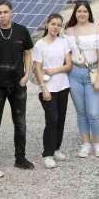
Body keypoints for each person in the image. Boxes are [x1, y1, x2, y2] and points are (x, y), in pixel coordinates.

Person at [0, 0, 35, 171]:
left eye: (5, 12)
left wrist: (26, 74)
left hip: (18, 84)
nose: (3, 15)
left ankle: (20, 158)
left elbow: (28, 53)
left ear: (12, 12)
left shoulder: (22, 31)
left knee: (20, 122)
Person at [65, 0, 99, 158]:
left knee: (94, 112)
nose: (82, 14)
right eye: (79, 11)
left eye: (85, 11)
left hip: (93, 72)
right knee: (81, 112)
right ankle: (85, 143)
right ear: (75, 13)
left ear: (89, 13)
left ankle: (98, 143)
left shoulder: (98, 29)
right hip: (74, 74)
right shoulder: (68, 31)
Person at [32, 13, 72, 169]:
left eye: (59, 25)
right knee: (52, 119)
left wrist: (55, 70)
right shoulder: (40, 45)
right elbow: (37, 69)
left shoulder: (63, 43)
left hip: (63, 86)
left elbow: (69, 65)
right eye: (53, 24)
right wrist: (44, 88)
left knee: (61, 118)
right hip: (49, 88)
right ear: (47, 24)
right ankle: (47, 154)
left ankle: (56, 149)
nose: (55, 27)